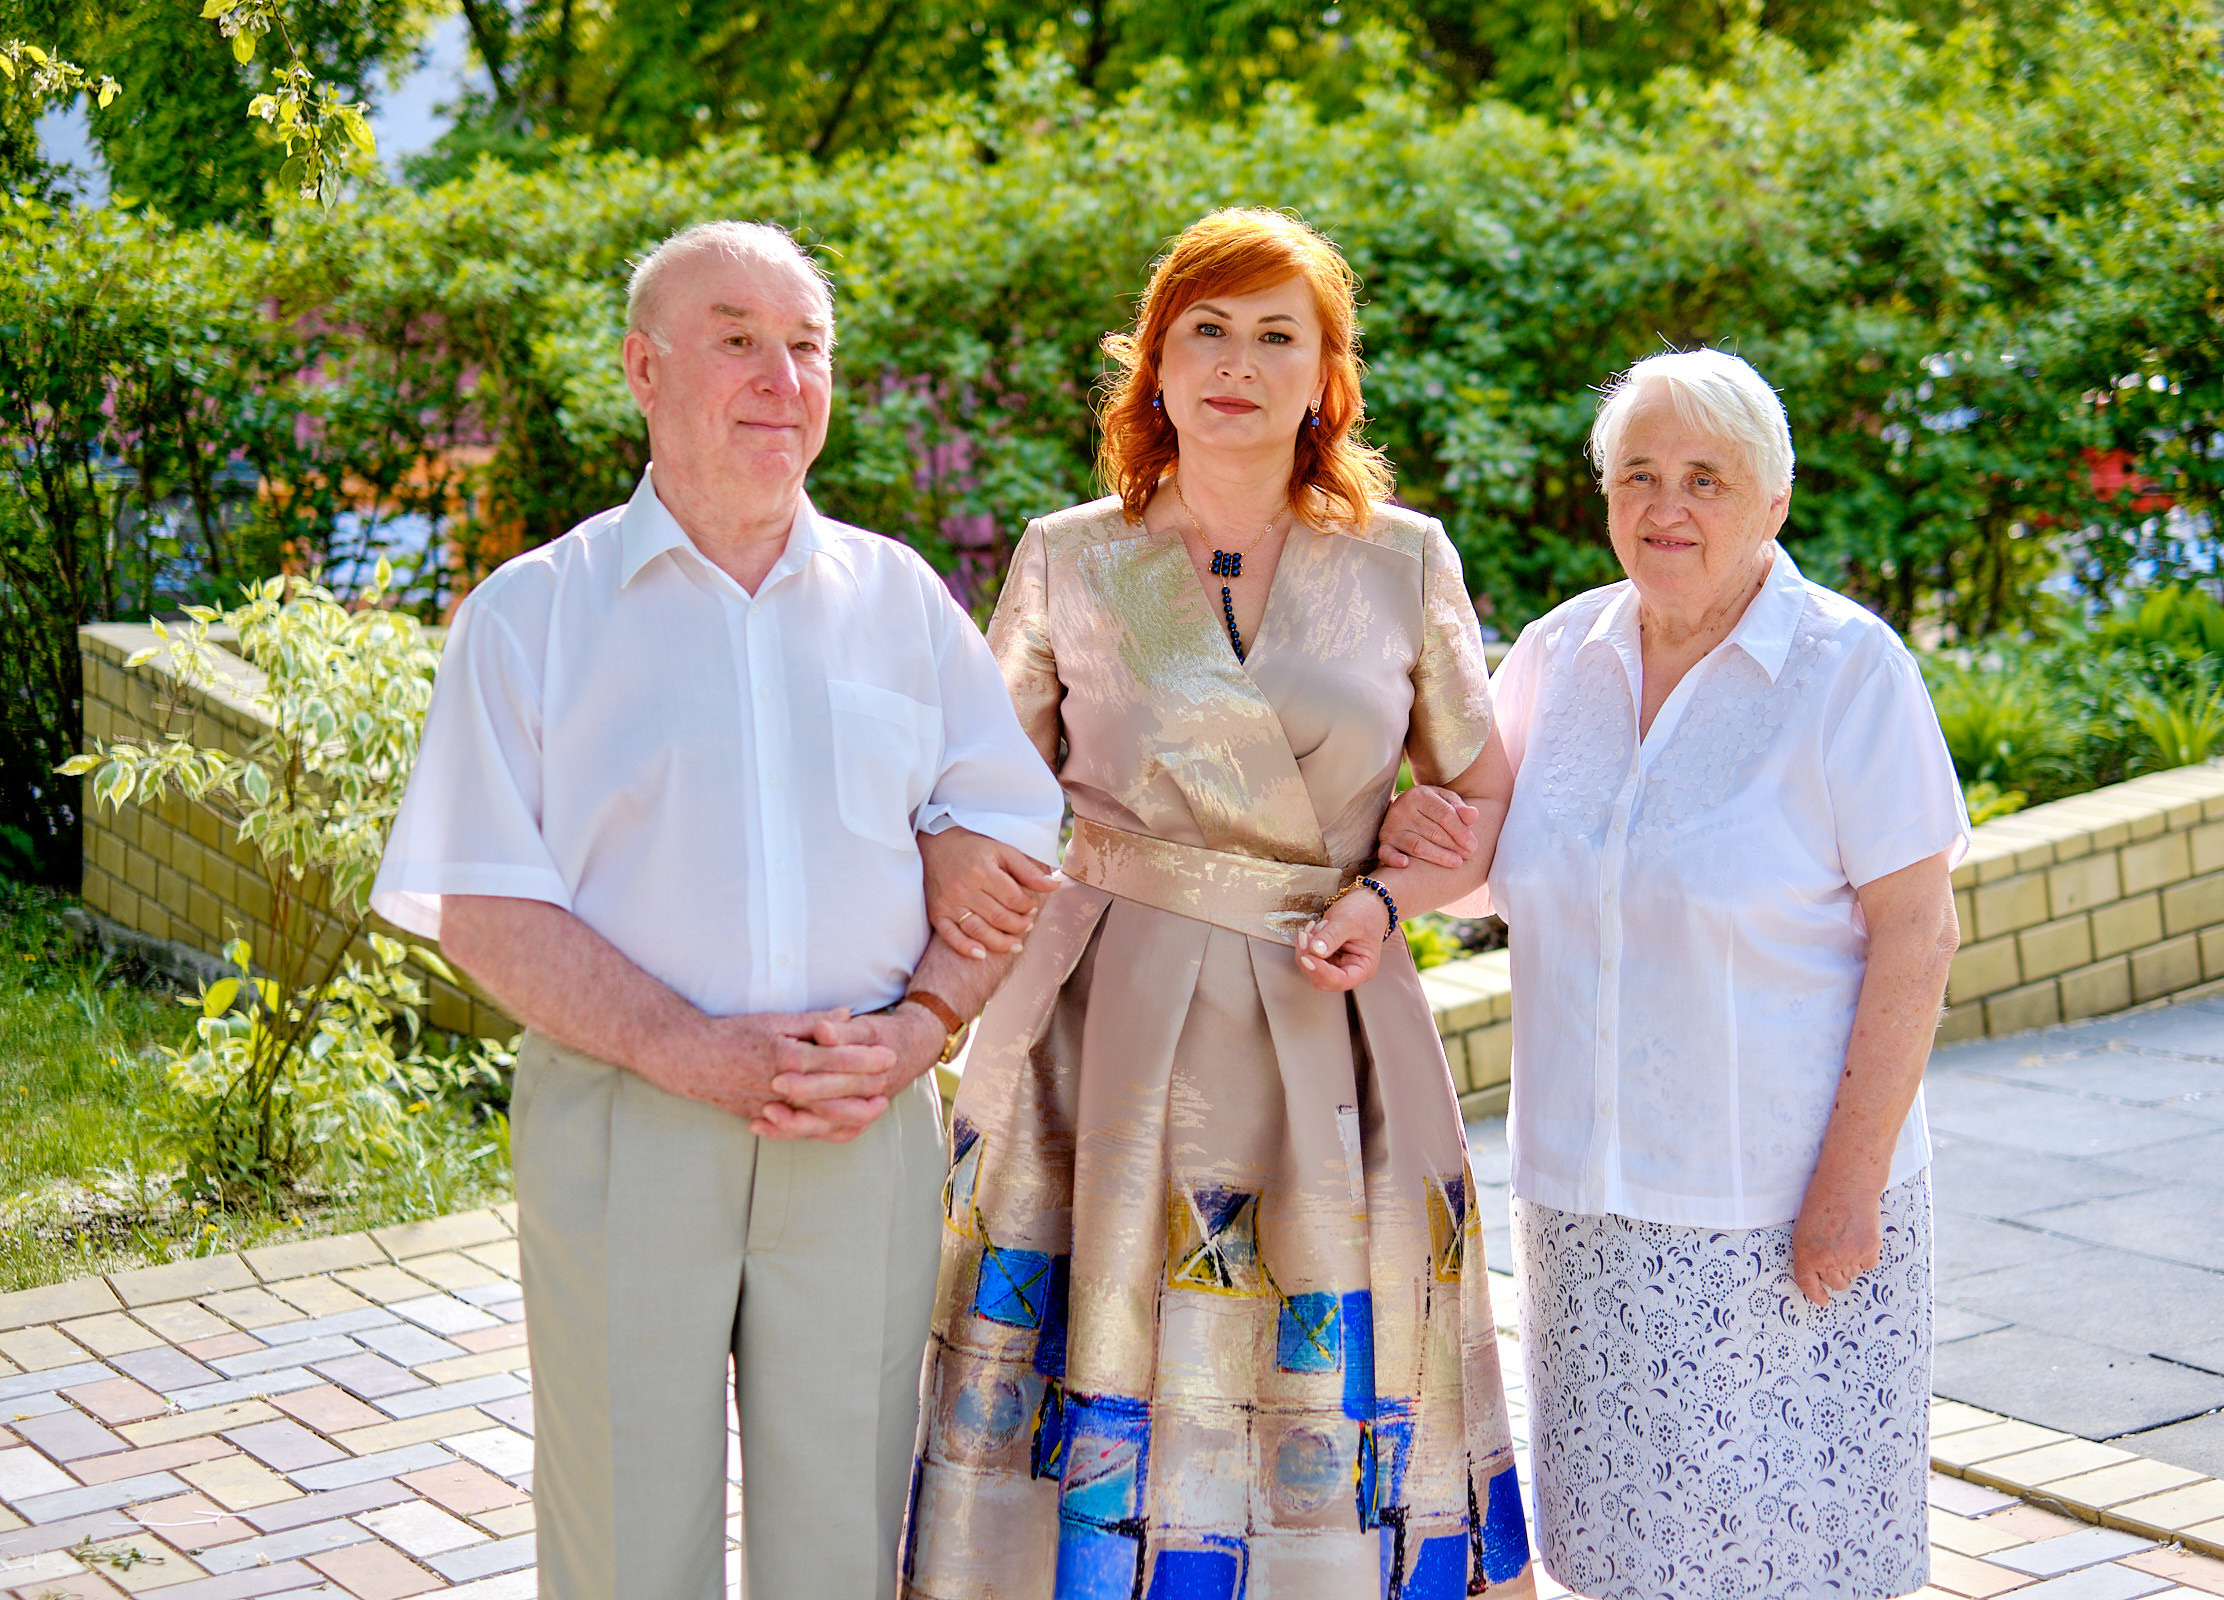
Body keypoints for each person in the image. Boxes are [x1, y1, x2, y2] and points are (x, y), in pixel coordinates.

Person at [369, 220, 1065, 1600]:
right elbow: (484, 910)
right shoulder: (532, 615)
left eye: (806, 346)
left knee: (844, 1546)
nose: (780, 375)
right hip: (632, 1119)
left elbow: (1006, 847)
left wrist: (924, 1022)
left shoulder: (903, 604)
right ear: (643, 367)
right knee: (628, 1541)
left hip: (863, 1122)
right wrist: (695, 1052)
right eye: (737, 339)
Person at [887, 209, 1536, 1600]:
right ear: (1158, 363)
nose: (1239, 363)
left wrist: (1392, 887)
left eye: (1276, 336)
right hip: (1101, 1031)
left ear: (1326, 379)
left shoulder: (1405, 562)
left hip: (1333, 1010)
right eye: (1208, 330)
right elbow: (976, 794)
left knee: (1323, 1351)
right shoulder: (1070, 557)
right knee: (1096, 1333)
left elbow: (1485, 807)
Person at [1381, 347, 1967, 1600]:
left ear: (1775, 502)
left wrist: (1849, 1184)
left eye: (1706, 477)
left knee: (1789, 1559)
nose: (1666, 506)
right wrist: (1386, 859)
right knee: (1623, 1556)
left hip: (1782, 1210)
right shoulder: (1556, 655)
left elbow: (1920, 934)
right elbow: (1493, 864)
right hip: (1590, 1212)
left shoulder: (1847, 672)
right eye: (1637, 473)